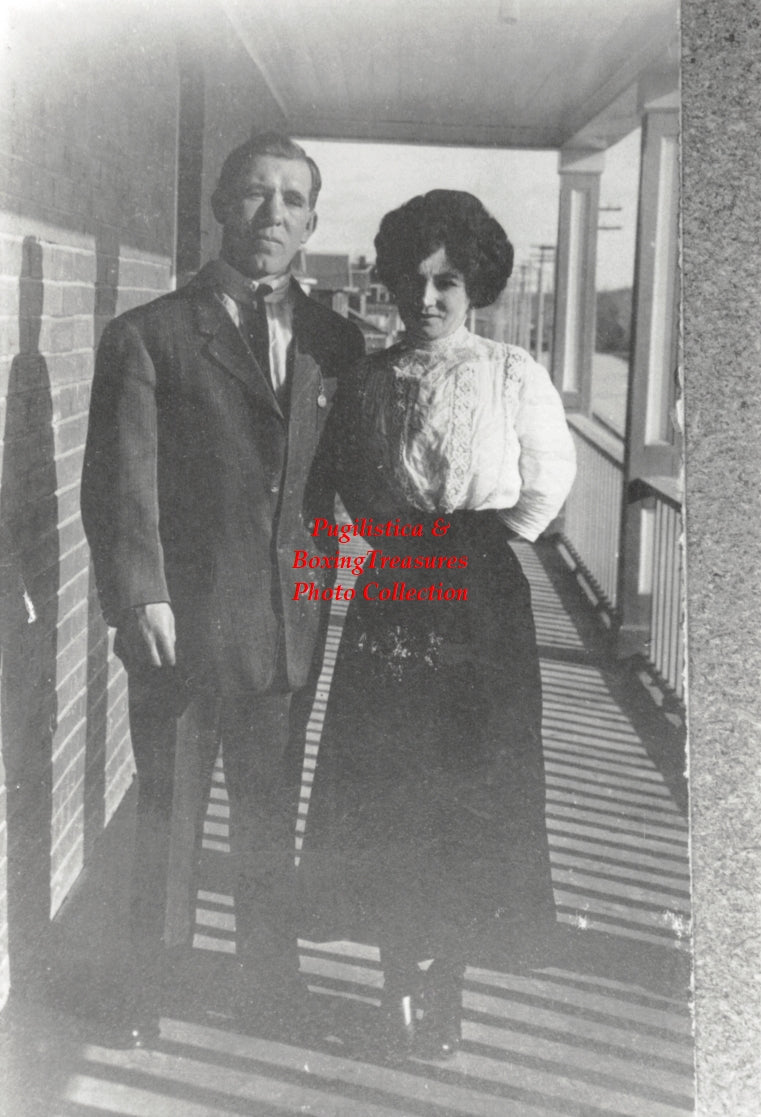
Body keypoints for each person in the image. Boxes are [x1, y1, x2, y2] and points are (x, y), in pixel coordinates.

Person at [80, 132, 364, 1044]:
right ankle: (143, 988)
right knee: (167, 814)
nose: (271, 214)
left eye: (291, 199)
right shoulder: (149, 336)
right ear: (218, 207)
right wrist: (140, 594)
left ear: (312, 221)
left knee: (266, 815)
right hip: (182, 627)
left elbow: (343, 476)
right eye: (253, 193)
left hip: (286, 626)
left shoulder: (334, 341)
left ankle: (265, 982)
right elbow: (118, 485)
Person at [298, 190, 576, 1060]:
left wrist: (480, 543)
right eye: (411, 282)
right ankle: (394, 983)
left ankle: (444, 980)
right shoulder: (369, 379)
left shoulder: (509, 372)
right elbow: (344, 475)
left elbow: (546, 479)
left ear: (475, 286)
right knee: (386, 780)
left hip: (477, 590)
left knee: (464, 781)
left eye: (446, 282)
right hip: (393, 583)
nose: (425, 301)